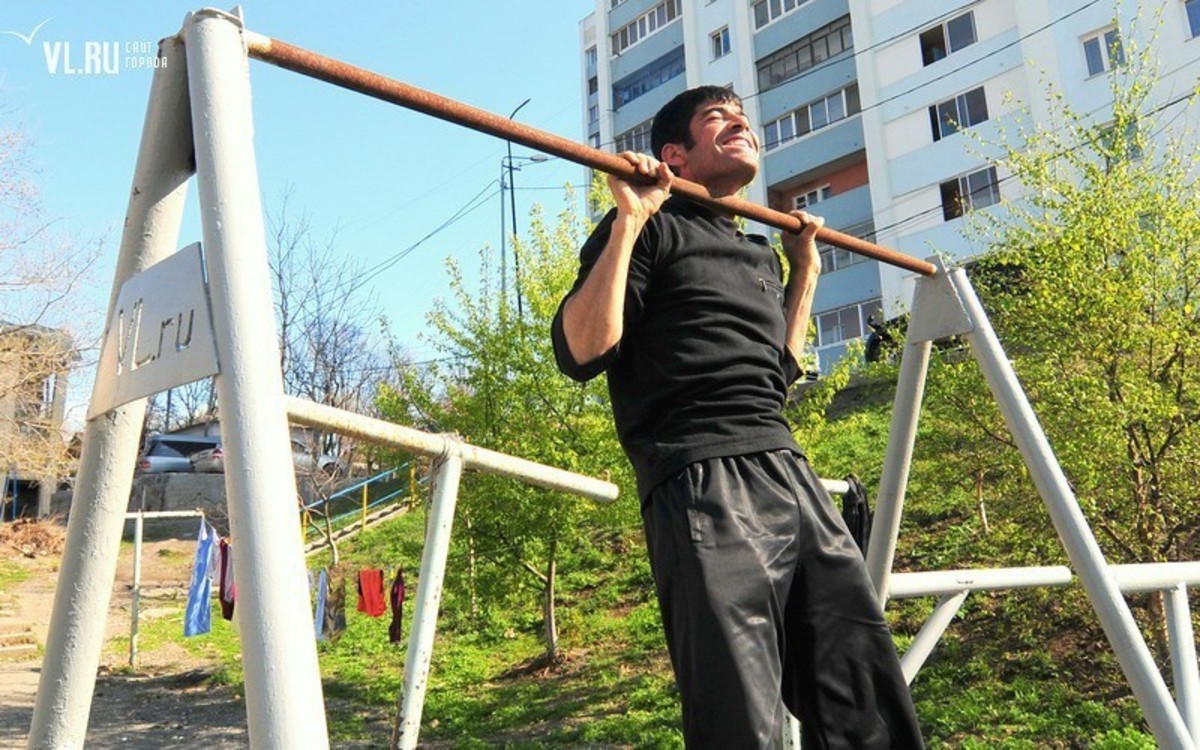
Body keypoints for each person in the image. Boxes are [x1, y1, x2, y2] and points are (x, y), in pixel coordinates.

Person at [551, 86, 923, 749]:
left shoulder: (758, 251)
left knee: (866, 699)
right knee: (741, 722)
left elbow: (776, 374)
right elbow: (581, 351)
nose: (740, 124)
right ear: (675, 154)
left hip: (789, 470)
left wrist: (805, 270)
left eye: (743, 117)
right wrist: (630, 219)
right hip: (703, 477)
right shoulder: (651, 225)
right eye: (717, 118)